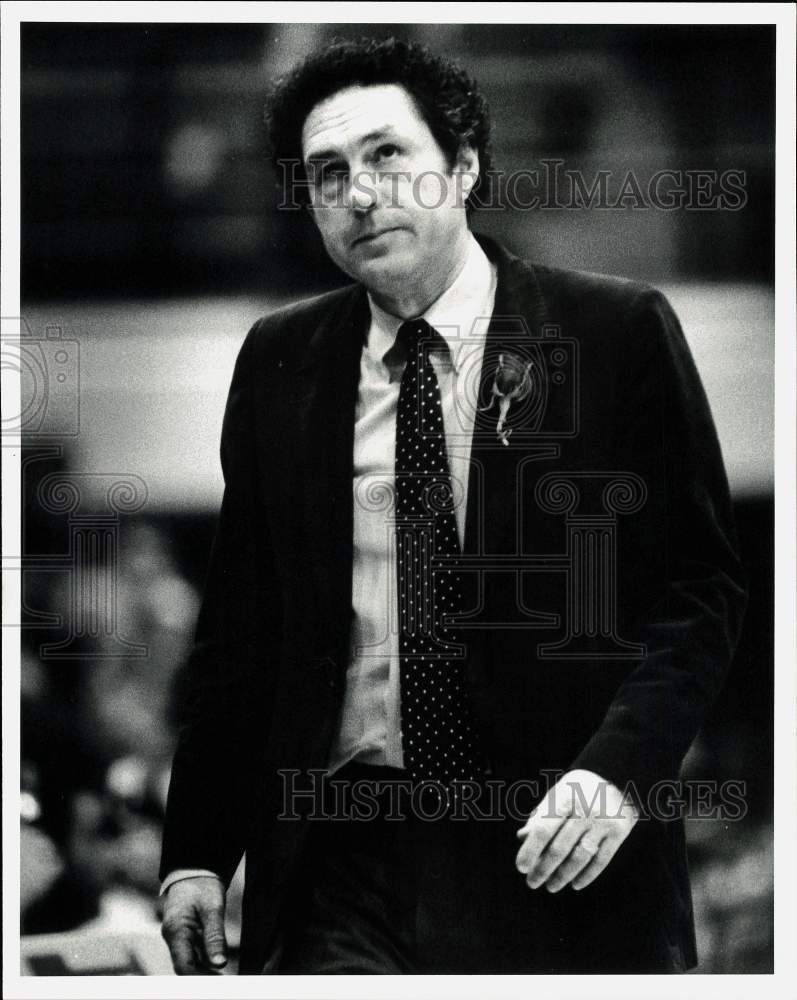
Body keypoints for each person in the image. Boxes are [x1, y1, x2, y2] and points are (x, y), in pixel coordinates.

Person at [159, 37, 747, 975]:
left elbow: (699, 589)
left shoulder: (614, 330)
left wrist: (619, 770)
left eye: (388, 155)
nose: (359, 192)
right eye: (327, 174)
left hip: (558, 844)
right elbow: (240, 635)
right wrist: (194, 850)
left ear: (462, 167)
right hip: (339, 853)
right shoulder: (280, 360)